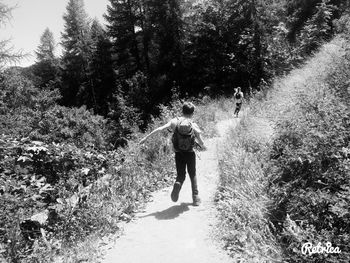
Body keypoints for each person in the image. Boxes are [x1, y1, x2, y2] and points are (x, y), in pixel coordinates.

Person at [139, 102, 206, 206]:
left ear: (182, 111)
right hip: (190, 153)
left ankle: (178, 184)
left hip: (178, 153)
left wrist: (145, 138)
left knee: (180, 175)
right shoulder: (193, 124)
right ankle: (196, 198)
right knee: (192, 174)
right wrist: (203, 146)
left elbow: (160, 128)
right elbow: (201, 142)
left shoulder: (175, 121)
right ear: (192, 113)